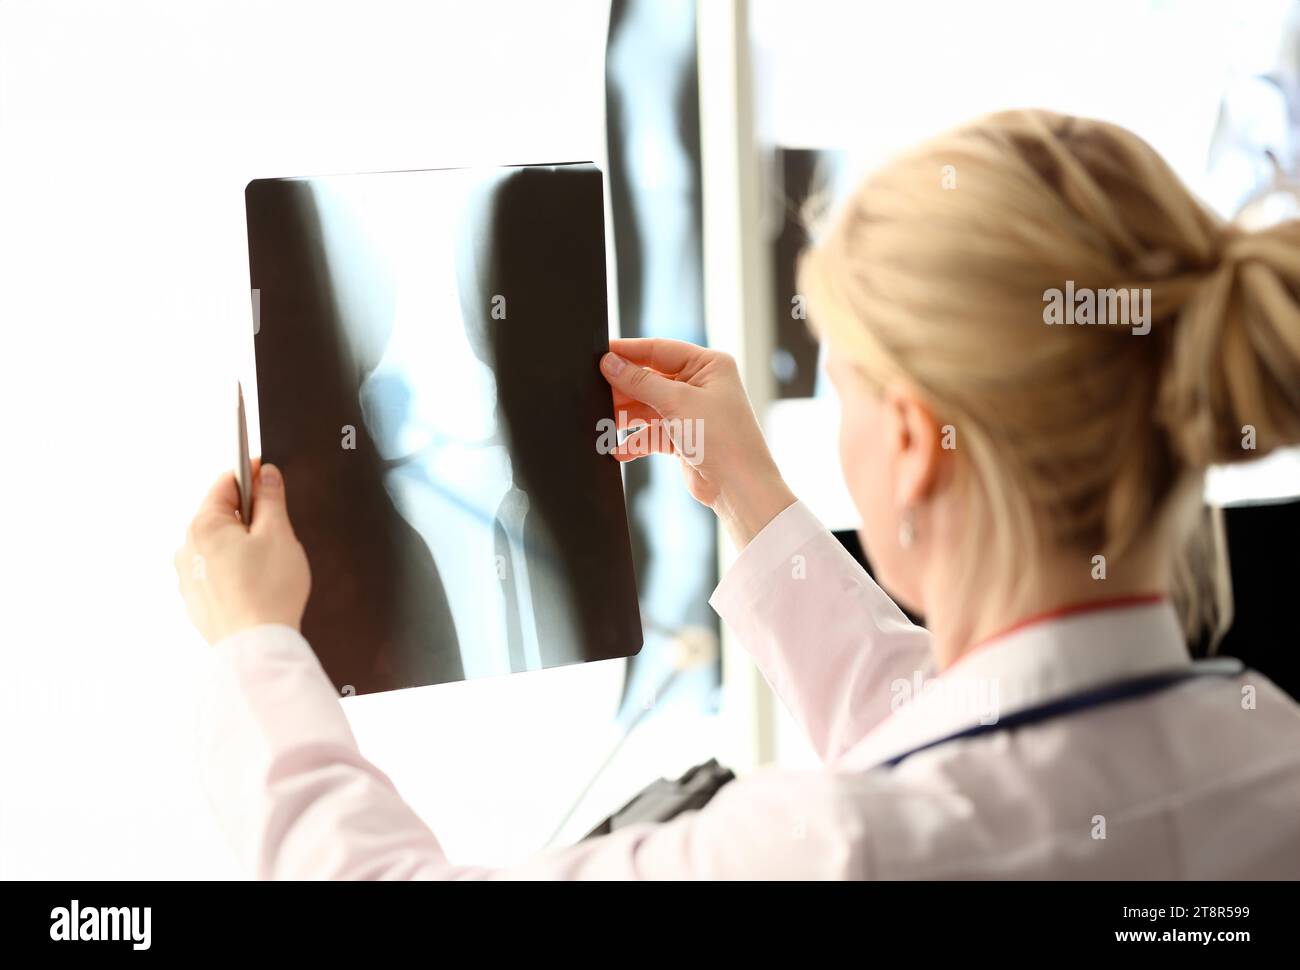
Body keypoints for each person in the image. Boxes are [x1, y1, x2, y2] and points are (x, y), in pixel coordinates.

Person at [176, 110, 1300, 878]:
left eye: (846, 385)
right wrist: (754, 500)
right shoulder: (1271, 753)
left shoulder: (818, 850)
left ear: (913, 442)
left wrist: (259, 648)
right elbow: (980, 759)